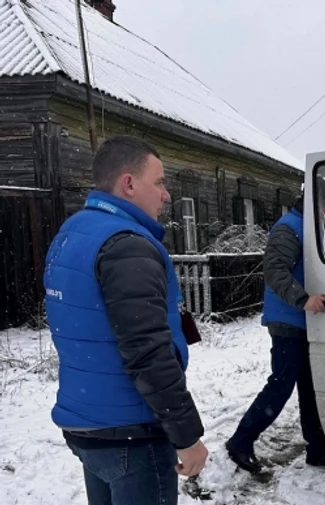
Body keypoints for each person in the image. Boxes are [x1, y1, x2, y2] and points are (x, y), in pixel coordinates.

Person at [43, 136, 208, 505]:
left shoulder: (73, 233)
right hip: (132, 433)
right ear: (129, 184)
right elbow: (148, 351)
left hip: (88, 422)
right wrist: (187, 437)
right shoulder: (127, 245)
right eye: (159, 182)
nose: (165, 195)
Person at [225, 177, 325, 473]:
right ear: (315, 203)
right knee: (281, 385)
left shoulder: (314, 229)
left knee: (311, 387)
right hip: (288, 320)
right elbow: (275, 271)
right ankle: (240, 441)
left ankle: (318, 449)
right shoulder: (290, 228)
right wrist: (304, 299)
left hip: (308, 322)